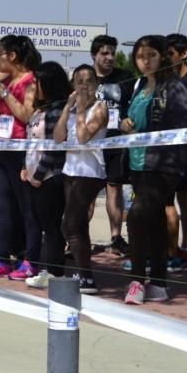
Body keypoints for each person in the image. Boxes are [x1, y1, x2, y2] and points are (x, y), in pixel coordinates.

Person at [121, 35, 187, 304]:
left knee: (137, 216)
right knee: (154, 222)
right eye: (140, 56)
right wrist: (127, 124)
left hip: (163, 166)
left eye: (151, 55)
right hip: (138, 163)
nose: (145, 61)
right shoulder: (140, 86)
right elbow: (135, 121)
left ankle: (138, 281)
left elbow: (180, 129)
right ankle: (159, 284)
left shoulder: (174, 87)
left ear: (162, 56)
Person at [0, 35, 39, 280]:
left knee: (27, 209)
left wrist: (4, 93)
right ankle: (3, 257)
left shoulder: (30, 80)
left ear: (12, 56)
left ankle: (31, 260)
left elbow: (27, 116)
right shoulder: (3, 81)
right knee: (3, 208)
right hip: (1, 148)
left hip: (21, 151)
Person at [52, 65, 107, 293]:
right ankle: (85, 274)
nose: (84, 85)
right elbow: (57, 137)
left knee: (70, 224)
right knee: (79, 226)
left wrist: (83, 109)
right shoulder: (74, 109)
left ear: (96, 84)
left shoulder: (100, 107)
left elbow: (84, 137)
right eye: (79, 81)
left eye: (89, 81)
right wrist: (68, 108)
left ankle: (87, 277)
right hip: (70, 170)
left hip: (90, 172)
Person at [20, 62, 73, 289]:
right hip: (33, 175)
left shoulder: (56, 111)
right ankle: (47, 268)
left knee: (52, 227)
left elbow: (54, 147)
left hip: (51, 177)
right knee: (42, 224)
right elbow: (30, 142)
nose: (33, 87)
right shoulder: (40, 109)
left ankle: (55, 271)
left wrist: (39, 175)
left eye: (36, 83)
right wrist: (25, 167)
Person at [89, 34, 133, 255]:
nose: (109, 57)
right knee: (86, 191)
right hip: (89, 143)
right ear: (94, 55)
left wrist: (127, 120)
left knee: (114, 187)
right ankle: (77, 239)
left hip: (115, 142)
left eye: (112, 53)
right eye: (104, 53)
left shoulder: (125, 77)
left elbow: (131, 106)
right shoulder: (85, 77)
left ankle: (116, 237)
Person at [165, 33, 187, 270]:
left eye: (170, 54)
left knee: (183, 195)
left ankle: (186, 248)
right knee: (167, 198)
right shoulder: (165, 81)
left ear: (184, 53)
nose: (167, 58)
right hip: (166, 150)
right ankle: (169, 248)